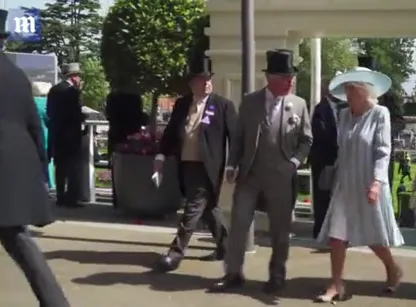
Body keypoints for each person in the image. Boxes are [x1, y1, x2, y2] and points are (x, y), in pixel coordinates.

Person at [211, 49, 312, 294]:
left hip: (281, 176)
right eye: (286, 78)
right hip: (250, 175)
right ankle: (233, 273)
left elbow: (306, 140)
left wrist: (295, 163)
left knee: (280, 230)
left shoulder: (298, 104)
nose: (291, 82)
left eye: (292, 78)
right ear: (271, 78)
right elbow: (238, 137)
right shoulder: (250, 101)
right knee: (239, 225)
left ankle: (277, 276)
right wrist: (232, 164)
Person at [315, 66, 404, 303]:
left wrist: (376, 182)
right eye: (346, 88)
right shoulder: (343, 115)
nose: (348, 93)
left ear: (364, 91)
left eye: (352, 88)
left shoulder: (380, 113)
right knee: (337, 235)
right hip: (345, 183)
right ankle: (336, 284)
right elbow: (341, 149)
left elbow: (383, 151)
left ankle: (393, 268)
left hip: (369, 183)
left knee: (373, 235)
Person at [0, 10, 70, 306]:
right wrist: (41, 168)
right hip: (16, 165)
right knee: (18, 238)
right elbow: (33, 125)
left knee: (17, 238)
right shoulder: (17, 75)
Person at [154, 56, 237, 271]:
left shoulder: (223, 106)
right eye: (202, 79)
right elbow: (172, 132)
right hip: (187, 164)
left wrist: (232, 164)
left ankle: (176, 252)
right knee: (208, 208)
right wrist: (160, 156)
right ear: (192, 83)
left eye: (209, 79)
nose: (207, 83)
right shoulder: (182, 104)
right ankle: (227, 247)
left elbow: (235, 137)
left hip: (208, 166)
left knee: (193, 207)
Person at [356, 55, 405, 188]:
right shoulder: (353, 96)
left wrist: (381, 132)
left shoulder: (389, 95)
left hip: (382, 151)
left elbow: (400, 122)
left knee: (381, 188)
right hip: (358, 152)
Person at [309, 78, 346, 239]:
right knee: (322, 196)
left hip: (338, 161)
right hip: (324, 162)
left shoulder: (342, 109)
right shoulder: (321, 109)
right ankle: (320, 231)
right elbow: (321, 134)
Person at [47, 63, 86, 207]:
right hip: (71, 134)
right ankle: (71, 198)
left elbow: (50, 112)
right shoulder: (73, 92)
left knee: (60, 167)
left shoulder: (54, 90)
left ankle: (60, 195)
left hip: (58, 133)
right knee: (72, 168)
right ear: (74, 77)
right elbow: (75, 114)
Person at [105, 87, 149, 208]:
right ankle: (133, 198)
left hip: (116, 134)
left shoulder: (112, 97)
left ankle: (117, 199)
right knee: (133, 167)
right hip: (133, 134)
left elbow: (108, 115)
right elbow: (141, 117)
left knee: (116, 168)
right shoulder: (135, 97)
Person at [33, 81, 56, 189]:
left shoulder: (31, 102)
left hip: (33, 138)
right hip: (45, 136)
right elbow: (50, 119)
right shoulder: (46, 103)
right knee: (47, 162)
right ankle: (49, 184)